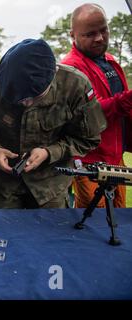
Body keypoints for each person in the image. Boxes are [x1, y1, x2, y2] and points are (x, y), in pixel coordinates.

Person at [0, 39, 107, 209]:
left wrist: (50, 153)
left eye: (34, 97)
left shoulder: (76, 86)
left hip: (50, 189)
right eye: (19, 100)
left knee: (50, 235)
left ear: (53, 73)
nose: (26, 104)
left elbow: (89, 138)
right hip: (3, 189)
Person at [61, 3, 132, 208]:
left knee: (119, 218)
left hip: (115, 159)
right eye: (90, 34)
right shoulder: (70, 69)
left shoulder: (110, 61)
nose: (100, 38)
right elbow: (90, 116)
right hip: (89, 162)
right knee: (94, 223)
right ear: (73, 35)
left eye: (103, 30)